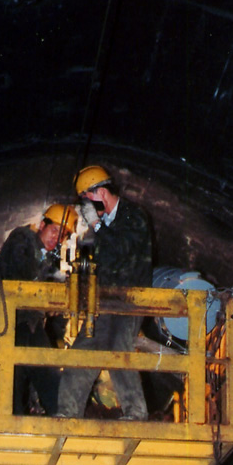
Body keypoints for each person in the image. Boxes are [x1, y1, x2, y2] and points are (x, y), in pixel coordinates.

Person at [56, 165, 153, 420]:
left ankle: (136, 413)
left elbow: (122, 249)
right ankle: (67, 412)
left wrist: (97, 225)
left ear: (101, 192)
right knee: (83, 351)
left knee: (118, 348)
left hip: (130, 299)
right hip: (105, 301)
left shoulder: (133, 215)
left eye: (87, 200)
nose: (87, 207)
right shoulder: (104, 226)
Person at [0, 204, 77, 414]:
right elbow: (23, 272)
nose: (56, 238)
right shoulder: (22, 238)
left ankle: (62, 417)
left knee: (45, 371)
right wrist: (50, 283)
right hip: (10, 320)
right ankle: (12, 422)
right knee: (13, 377)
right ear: (41, 225)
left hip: (31, 323)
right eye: (54, 230)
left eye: (62, 235)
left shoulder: (47, 258)